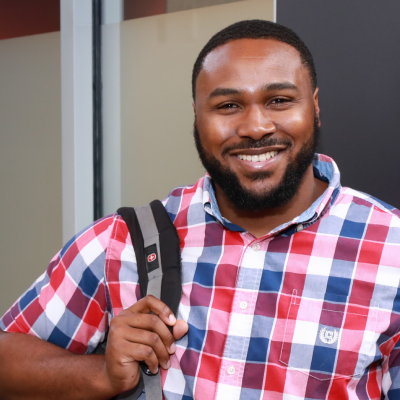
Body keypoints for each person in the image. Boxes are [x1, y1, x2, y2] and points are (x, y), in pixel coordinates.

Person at [0, 19, 399, 400]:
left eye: (279, 100)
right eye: (228, 105)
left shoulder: (391, 249)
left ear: (313, 106)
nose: (255, 126)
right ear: (196, 115)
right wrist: (101, 374)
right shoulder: (124, 241)